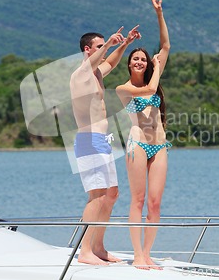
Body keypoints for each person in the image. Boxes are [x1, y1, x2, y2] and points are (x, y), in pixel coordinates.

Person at [70, 25, 141, 265]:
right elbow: (101, 58)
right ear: (87, 50)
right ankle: (85, 252)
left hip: (103, 142)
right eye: (99, 47)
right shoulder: (80, 74)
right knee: (97, 196)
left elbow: (110, 62)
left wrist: (124, 44)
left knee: (111, 194)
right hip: (88, 141)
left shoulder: (97, 74)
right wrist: (109, 43)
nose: (104, 50)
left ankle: (98, 247)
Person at [115, 0, 171, 269]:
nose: (139, 62)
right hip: (136, 145)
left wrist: (158, 13)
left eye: (143, 59)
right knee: (136, 200)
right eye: (135, 59)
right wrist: (158, 69)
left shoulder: (154, 68)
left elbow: (166, 45)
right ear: (129, 63)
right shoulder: (123, 89)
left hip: (159, 145)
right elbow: (148, 90)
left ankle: (148, 254)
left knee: (155, 203)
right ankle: (137, 255)